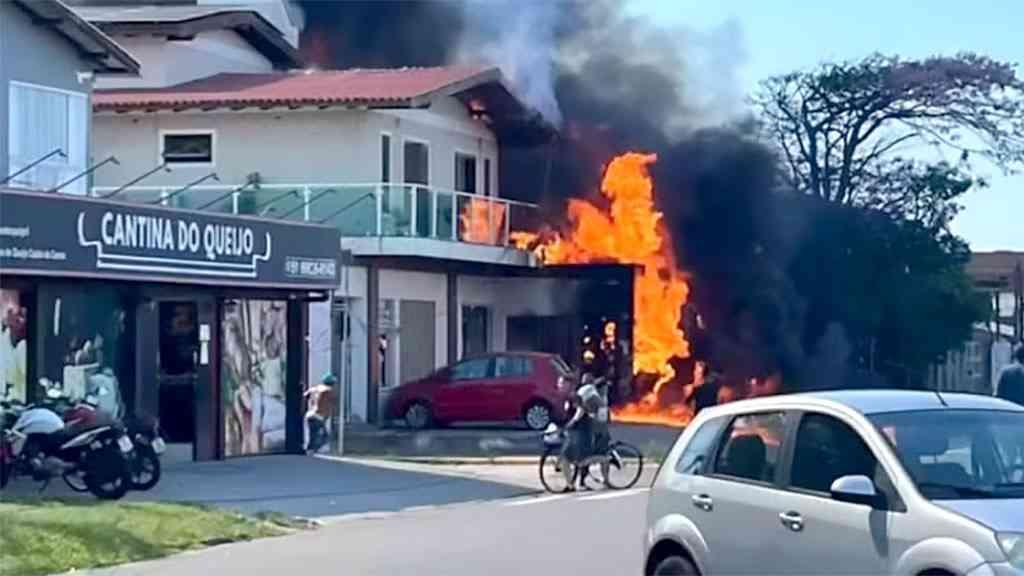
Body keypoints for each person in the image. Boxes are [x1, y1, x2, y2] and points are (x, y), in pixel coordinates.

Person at [560, 373, 609, 490]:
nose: (559, 385)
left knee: (579, 460)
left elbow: (580, 410)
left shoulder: (577, 394)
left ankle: (606, 460)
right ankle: (574, 484)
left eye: (562, 383)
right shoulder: (586, 393)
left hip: (584, 430)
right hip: (582, 430)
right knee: (578, 460)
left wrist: (572, 422)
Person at [304, 373, 337, 454]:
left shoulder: (314, 389)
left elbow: (305, 395)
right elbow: (333, 403)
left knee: (313, 435)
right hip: (319, 416)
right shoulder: (329, 390)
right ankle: (312, 450)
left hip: (310, 414)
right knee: (324, 437)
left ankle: (310, 450)